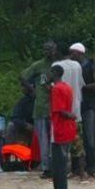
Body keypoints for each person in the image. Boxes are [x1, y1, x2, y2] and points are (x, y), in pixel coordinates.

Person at [22, 41, 57, 176]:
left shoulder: (58, 65)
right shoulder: (38, 65)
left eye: (51, 49)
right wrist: (32, 89)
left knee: (54, 138)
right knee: (43, 139)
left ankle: (55, 165)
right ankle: (46, 167)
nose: (49, 52)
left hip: (55, 107)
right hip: (41, 107)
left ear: (55, 50)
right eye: (46, 50)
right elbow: (23, 76)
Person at [70, 43, 95, 178]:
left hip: (87, 105)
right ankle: (77, 168)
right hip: (76, 105)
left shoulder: (91, 65)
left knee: (89, 137)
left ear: (80, 53)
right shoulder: (72, 66)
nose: (71, 55)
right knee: (76, 138)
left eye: (74, 53)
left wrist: (81, 87)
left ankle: (92, 167)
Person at [48, 64, 75, 189]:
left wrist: (69, 115)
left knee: (58, 167)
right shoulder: (67, 87)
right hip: (67, 130)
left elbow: (60, 110)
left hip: (59, 130)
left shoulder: (56, 89)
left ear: (55, 73)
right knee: (62, 164)